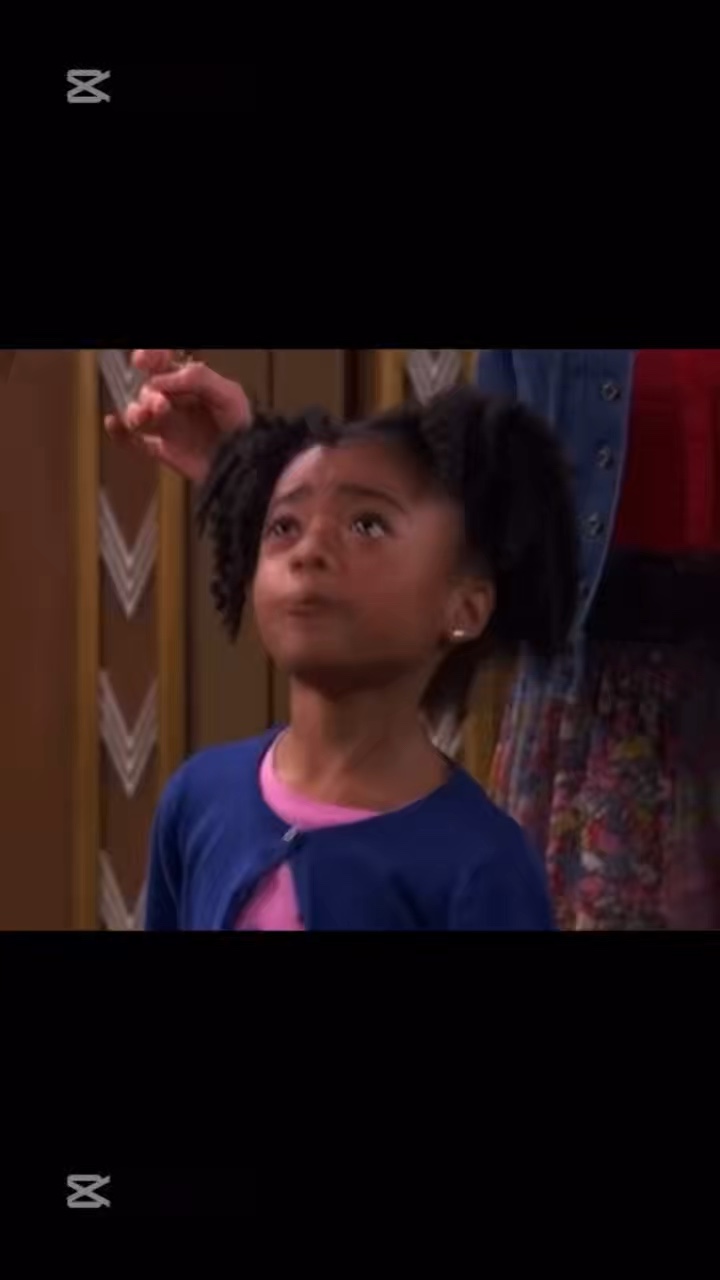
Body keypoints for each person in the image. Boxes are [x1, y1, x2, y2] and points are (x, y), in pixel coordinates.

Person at [107, 351, 579, 929]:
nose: (309, 550)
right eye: (285, 526)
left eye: (367, 525)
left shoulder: (484, 867)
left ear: (465, 607)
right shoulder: (197, 799)